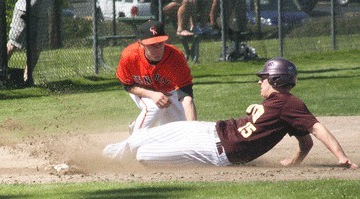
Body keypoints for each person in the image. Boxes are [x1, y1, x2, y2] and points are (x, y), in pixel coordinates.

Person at [104, 57, 357, 169]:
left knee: (145, 154)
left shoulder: (290, 104)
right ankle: (98, 161)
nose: (260, 82)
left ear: (277, 79)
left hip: (216, 152)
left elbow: (315, 129)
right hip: (211, 129)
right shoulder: (281, 105)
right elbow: (305, 142)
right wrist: (294, 161)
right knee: (143, 137)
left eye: (264, 78)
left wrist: (340, 157)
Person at [116, 20, 197, 133]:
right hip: (141, 88)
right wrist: (151, 94)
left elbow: (186, 96)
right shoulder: (129, 56)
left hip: (168, 90)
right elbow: (127, 85)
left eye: (160, 43)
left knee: (178, 130)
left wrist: (194, 129)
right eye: (152, 45)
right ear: (141, 43)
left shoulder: (175, 57)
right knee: (154, 106)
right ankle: (131, 146)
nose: (158, 48)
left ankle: (137, 127)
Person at [7, 0, 47, 86]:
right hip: (23, 9)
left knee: (37, 47)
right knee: (13, 42)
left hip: (41, 14)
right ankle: (0, 74)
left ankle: (27, 78)